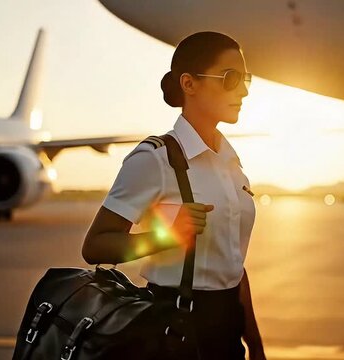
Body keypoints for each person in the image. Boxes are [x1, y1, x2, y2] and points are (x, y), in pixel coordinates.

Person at [81, 31, 266, 360]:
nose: (244, 91)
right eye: (231, 78)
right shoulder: (155, 158)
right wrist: (165, 237)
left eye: (246, 79)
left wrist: (254, 340)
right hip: (174, 333)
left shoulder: (231, 162)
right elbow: (95, 245)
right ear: (189, 84)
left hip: (227, 336)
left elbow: (234, 265)